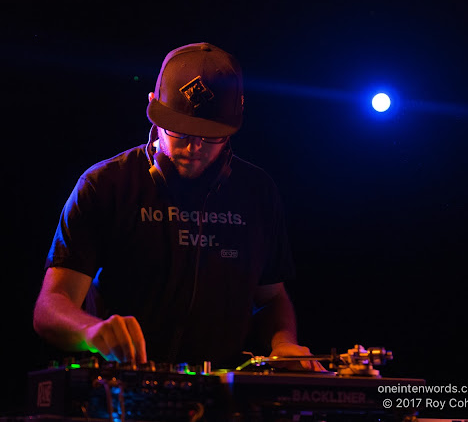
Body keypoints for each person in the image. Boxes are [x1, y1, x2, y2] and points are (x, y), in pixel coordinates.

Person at [33, 42, 322, 371]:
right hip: (124, 389)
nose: (194, 147)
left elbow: (271, 298)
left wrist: (284, 344)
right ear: (154, 109)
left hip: (222, 393)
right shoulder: (105, 185)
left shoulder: (257, 191)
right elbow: (51, 305)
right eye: (180, 131)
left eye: (211, 136)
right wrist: (92, 331)